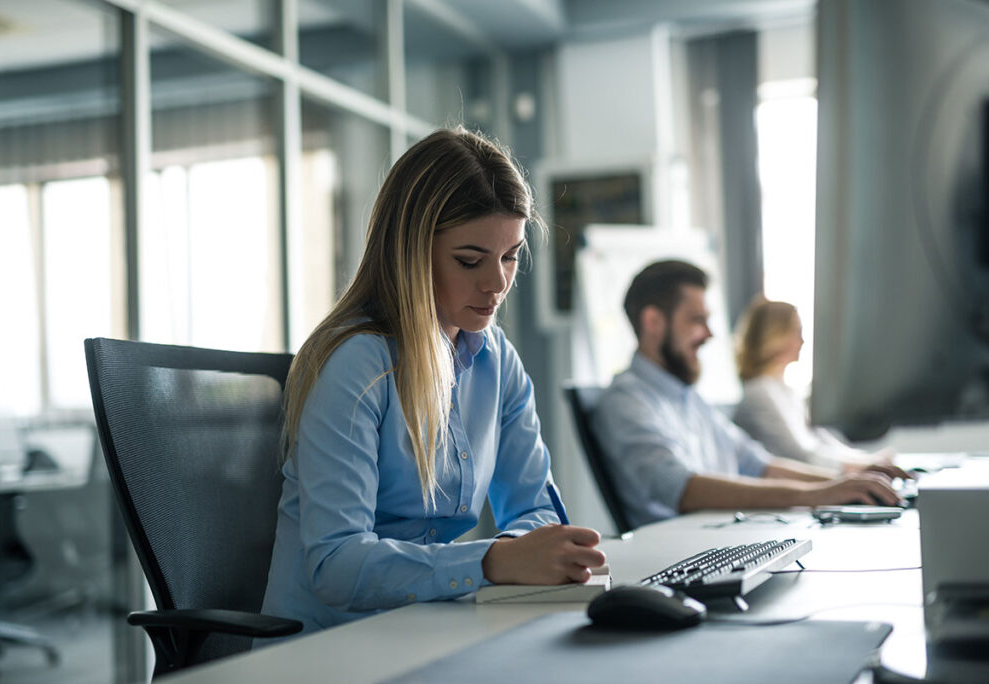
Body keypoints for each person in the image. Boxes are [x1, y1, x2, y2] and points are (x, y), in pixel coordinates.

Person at [260, 128, 606, 637]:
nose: (496, 284)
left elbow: (534, 507)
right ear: (411, 253)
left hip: (426, 628)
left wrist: (531, 555)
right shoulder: (357, 364)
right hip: (326, 650)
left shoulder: (497, 360)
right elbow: (336, 565)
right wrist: (494, 562)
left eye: (509, 256)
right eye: (469, 260)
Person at [593, 260, 908, 528]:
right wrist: (816, 495)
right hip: (679, 555)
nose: (709, 334)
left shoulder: (688, 399)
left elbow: (759, 464)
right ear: (653, 322)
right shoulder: (627, 401)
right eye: (696, 320)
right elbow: (682, 489)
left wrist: (838, 485)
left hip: (723, 535)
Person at [732, 296, 894, 471]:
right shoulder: (760, 393)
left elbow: (820, 442)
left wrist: (867, 460)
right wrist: (866, 465)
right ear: (776, 336)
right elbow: (801, 456)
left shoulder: (784, 391)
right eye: (796, 332)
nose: (802, 341)